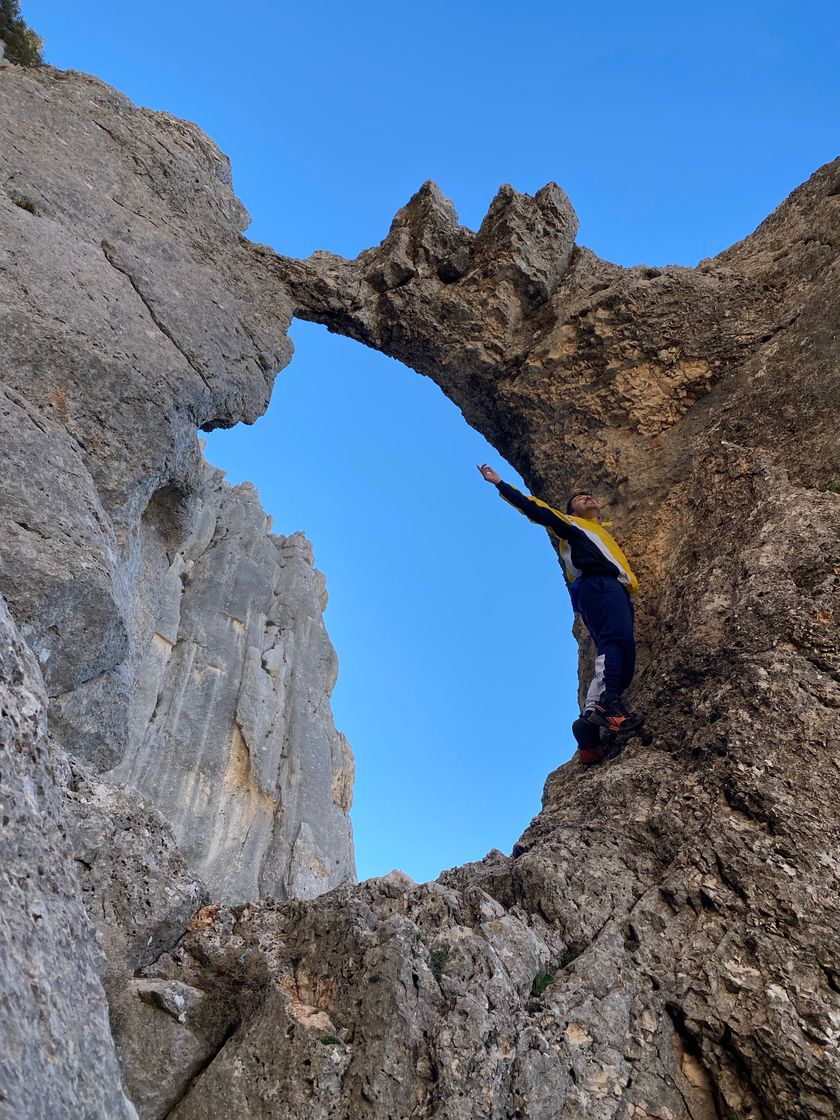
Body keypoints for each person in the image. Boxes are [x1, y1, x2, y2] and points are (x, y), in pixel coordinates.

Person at [477, 464, 642, 763]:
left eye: (590, 496)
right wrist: (499, 483)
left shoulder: (600, 533)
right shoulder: (572, 526)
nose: (587, 498)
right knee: (616, 641)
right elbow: (536, 509)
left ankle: (590, 728)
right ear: (571, 511)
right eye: (579, 498)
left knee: (619, 651)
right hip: (600, 585)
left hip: (606, 591)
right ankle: (608, 706)